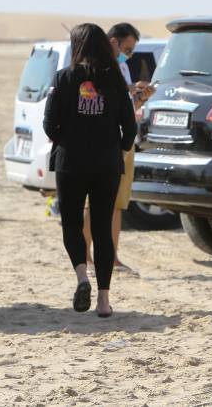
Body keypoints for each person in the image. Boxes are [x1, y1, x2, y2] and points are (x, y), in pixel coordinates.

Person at [43, 23, 137, 317]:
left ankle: (83, 277)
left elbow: (49, 125)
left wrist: (67, 141)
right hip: (106, 164)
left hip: (71, 162)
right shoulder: (115, 80)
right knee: (102, 229)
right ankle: (104, 301)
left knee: (71, 223)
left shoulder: (64, 77)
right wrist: (116, 148)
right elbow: (130, 127)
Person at [82, 22, 155, 274]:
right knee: (96, 202)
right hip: (103, 143)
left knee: (117, 203)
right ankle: (85, 257)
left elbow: (125, 109)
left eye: (132, 51)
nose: (129, 55)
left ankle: (112, 258)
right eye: (127, 48)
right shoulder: (93, 69)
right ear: (113, 41)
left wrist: (141, 97)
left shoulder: (121, 67)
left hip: (124, 141)